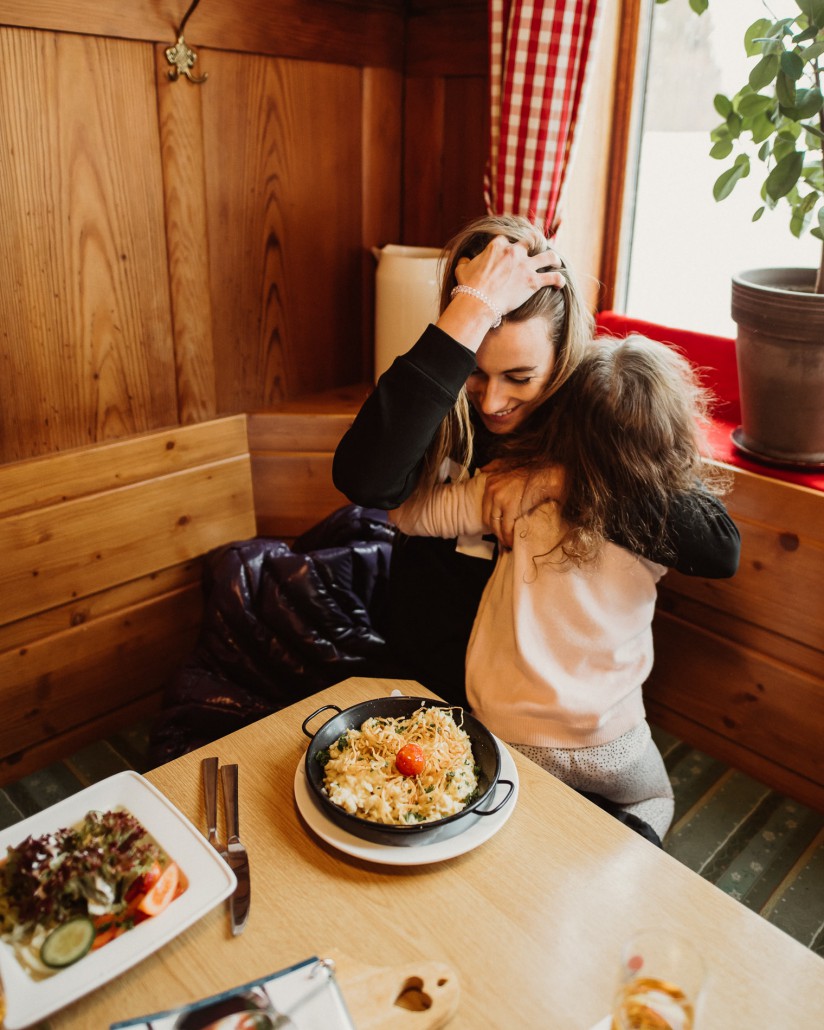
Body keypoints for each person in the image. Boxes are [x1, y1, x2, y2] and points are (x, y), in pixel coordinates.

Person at [332, 215, 740, 714]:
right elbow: (364, 480)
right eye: (476, 374)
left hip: (539, 708)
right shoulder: (435, 386)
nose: (492, 401)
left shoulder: (593, 410)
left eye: (520, 378)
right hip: (423, 676)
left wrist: (560, 480)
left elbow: (718, 546)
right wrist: (470, 312)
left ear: (562, 358)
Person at [390, 334, 729, 843]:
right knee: (654, 798)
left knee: (493, 812)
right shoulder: (656, 523)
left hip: (504, 733)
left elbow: (407, 515)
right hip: (610, 737)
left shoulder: (505, 491)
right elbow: (713, 541)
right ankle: (628, 862)